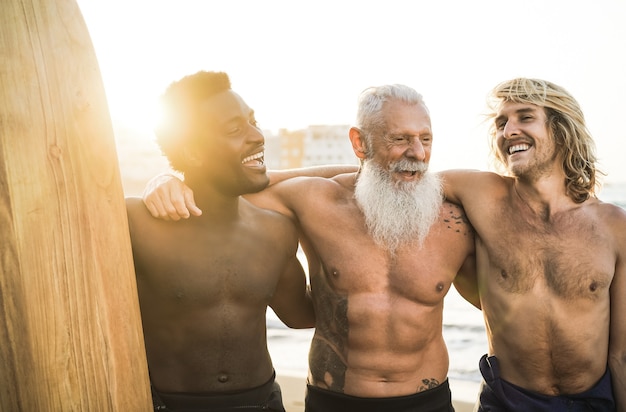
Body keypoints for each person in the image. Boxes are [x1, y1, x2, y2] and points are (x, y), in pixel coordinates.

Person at [144, 84, 477, 411]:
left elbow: (500, 298)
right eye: (400, 139)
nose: (417, 153)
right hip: (333, 400)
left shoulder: (454, 219)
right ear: (359, 143)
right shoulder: (313, 202)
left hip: (427, 401)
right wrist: (172, 181)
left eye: (425, 139)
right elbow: (234, 187)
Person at [125, 70, 316, 412]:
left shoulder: (277, 230)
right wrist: (162, 178)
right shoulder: (136, 224)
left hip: (263, 403)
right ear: (194, 152)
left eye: (252, 121)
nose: (258, 136)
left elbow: (301, 315)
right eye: (234, 129)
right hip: (169, 405)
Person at [441, 78, 625, 411]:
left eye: (525, 117)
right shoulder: (480, 195)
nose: (508, 131)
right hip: (507, 400)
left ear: (561, 129)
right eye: (501, 123)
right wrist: (312, 183)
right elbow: (398, 180)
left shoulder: (614, 226)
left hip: (593, 402)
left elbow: (622, 353)